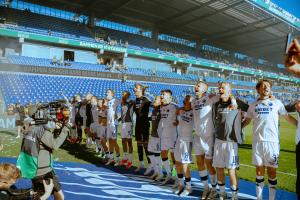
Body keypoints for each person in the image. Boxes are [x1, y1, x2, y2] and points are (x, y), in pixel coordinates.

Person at [243, 79, 297, 200]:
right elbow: (246, 121)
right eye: (263, 86)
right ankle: (259, 198)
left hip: (272, 143)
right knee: (258, 172)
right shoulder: (253, 105)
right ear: (258, 89)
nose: (266, 88)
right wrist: (234, 129)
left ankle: (271, 199)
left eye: (268, 86)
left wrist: (299, 125)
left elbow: (287, 118)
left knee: (272, 172)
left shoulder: (277, 102)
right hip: (257, 143)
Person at [17, 104, 71, 200]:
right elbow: (55, 145)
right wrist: (65, 128)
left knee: (39, 194)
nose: (48, 114)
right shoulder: (41, 129)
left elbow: (43, 142)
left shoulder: (30, 126)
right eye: (45, 112)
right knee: (57, 196)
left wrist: (55, 131)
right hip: (44, 170)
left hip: (34, 168)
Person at [212, 82, 249, 200]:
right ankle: (222, 194)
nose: (220, 89)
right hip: (218, 141)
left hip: (231, 142)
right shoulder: (216, 104)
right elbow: (214, 120)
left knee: (231, 171)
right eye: (219, 88)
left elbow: (251, 111)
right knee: (219, 169)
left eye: (223, 88)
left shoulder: (237, 102)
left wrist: (240, 126)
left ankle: (234, 196)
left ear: (230, 91)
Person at [191, 81, 218, 199]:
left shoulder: (210, 98)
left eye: (198, 86)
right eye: (196, 85)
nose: (196, 87)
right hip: (197, 136)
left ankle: (214, 189)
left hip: (209, 136)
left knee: (209, 163)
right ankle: (205, 188)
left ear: (205, 89)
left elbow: (226, 96)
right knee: (199, 162)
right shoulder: (193, 101)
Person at [174, 95, 194, 196]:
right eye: (187, 99)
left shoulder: (194, 112)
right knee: (177, 163)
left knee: (185, 165)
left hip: (187, 141)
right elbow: (177, 121)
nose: (188, 101)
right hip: (179, 140)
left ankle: (189, 187)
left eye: (191, 100)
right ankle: (181, 184)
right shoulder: (180, 111)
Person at [158, 89, 178, 184]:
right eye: (161, 94)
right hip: (164, 134)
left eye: (163, 94)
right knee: (163, 154)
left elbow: (182, 116)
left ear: (170, 97)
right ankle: (169, 174)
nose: (161, 96)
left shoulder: (174, 107)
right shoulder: (161, 107)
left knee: (174, 155)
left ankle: (175, 173)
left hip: (173, 135)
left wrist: (178, 122)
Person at [133, 83, 152, 173]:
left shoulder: (146, 100)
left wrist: (150, 118)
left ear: (141, 90)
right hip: (138, 125)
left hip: (144, 125)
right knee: (139, 144)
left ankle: (150, 165)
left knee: (145, 145)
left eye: (136, 88)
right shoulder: (135, 100)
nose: (134, 89)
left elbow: (155, 106)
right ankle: (141, 164)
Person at [147, 96, 163, 180]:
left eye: (156, 99)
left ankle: (160, 173)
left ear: (161, 102)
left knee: (157, 155)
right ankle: (156, 171)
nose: (154, 100)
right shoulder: (154, 110)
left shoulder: (161, 111)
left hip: (158, 137)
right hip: (152, 135)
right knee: (149, 153)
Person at [105, 89, 121, 166]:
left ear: (112, 94)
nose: (106, 93)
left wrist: (117, 115)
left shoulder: (115, 100)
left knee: (114, 142)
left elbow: (122, 102)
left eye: (108, 92)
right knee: (109, 141)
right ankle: (111, 158)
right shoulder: (107, 102)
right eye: (106, 92)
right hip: (108, 124)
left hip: (113, 124)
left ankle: (118, 159)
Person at [119, 91, 135, 169]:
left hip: (129, 123)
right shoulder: (122, 103)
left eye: (124, 94)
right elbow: (123, 113)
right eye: (122, 94)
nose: (122, 95)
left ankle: (130, 160)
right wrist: (119, 119)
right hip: (123, 123)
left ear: (128, 95)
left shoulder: (131, 102)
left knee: (129, 141)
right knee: (123, 140)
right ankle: (125, 158)